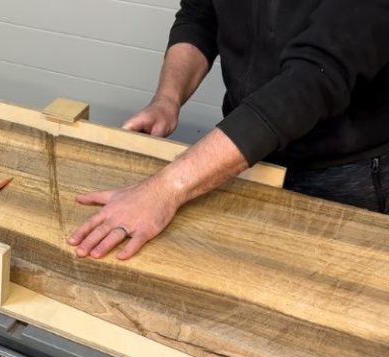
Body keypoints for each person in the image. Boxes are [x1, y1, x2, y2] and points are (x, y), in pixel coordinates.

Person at [68, 0, 389, 260]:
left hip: (339, 170)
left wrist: (166, 189)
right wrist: (167, 98)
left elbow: (314, 78)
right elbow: (201, 15)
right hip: (241, 152)